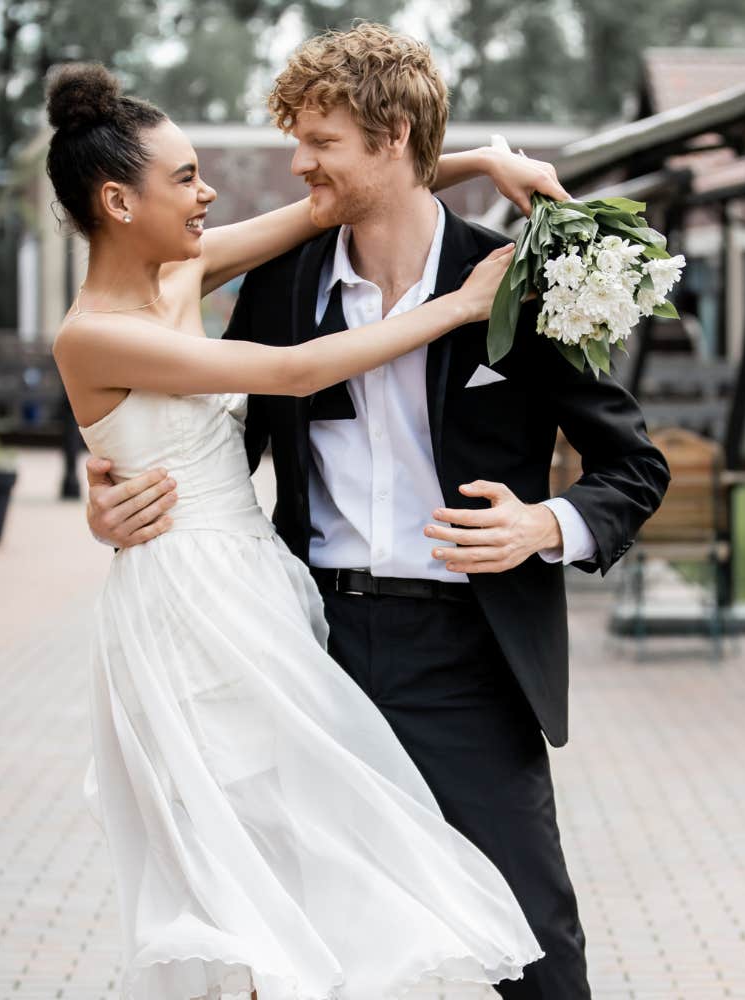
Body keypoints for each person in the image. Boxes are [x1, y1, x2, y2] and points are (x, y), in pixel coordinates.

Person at [87, 24, 672, 999]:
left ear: (393, 136)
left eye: (320, 140)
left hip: (468, 660)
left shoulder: (517, 283)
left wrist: (546, 525)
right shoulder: (281, 288)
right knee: (316, 946)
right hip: (311, 648)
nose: (296, 162)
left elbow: (632, 464)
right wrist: (121, 499)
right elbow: (208, 443)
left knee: (537, 950)